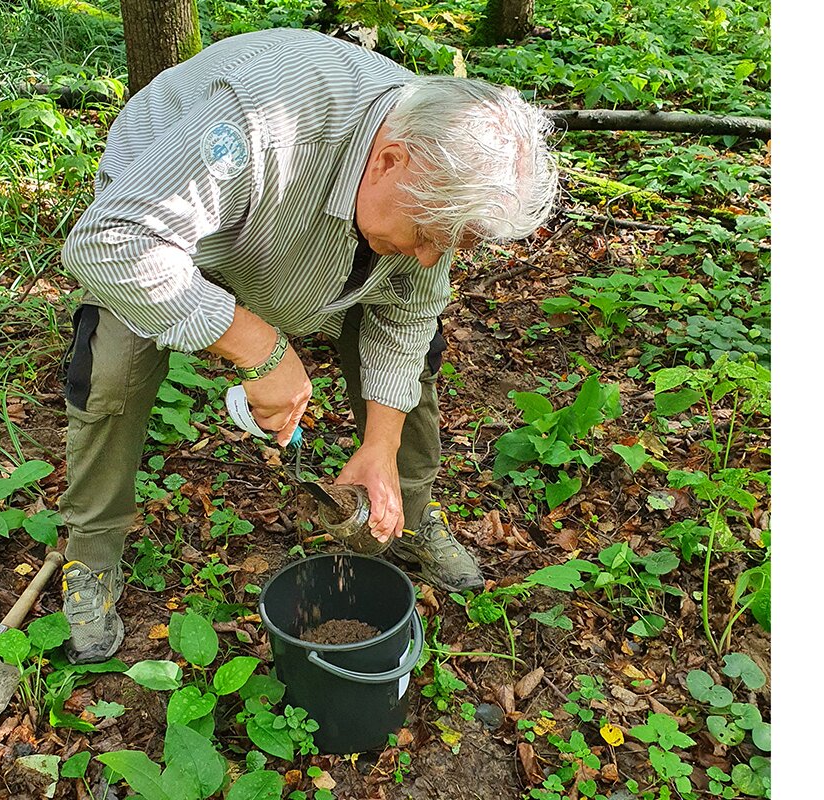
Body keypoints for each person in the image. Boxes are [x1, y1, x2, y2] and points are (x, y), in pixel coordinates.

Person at [55, 27, 556, 663]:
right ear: (389, 160)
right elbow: (111, 244)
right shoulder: (258, 117)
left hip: (318, 257)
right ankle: (92, 556)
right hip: (184, 239)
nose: (433, 257)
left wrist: (380, 443)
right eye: (431, 232)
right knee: (113, 371)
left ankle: (407, 515)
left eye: (453, 244)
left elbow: (406, 318)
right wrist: (260, 347)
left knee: (415, 363)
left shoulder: (430, 177)